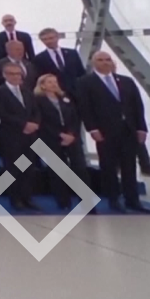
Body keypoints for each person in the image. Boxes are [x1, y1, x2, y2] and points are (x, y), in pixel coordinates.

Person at [77, 52, 150, 213]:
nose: (105, 63)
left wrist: (141, 128)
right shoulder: (85, 82)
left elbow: (137, 106)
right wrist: (92, 129)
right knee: (108, 166)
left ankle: (132, 200)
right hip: (105, 131)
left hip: (128, 129)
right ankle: (114, 199)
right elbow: (85, 107)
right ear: (94, 63)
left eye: (108, 59)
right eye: (100, 60)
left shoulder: (126, 81)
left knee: (129, 165)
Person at [35, 73, 90, 211]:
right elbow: (41, 122)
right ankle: (63, 202)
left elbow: (75, 117)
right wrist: (59, 134)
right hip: (51, 139)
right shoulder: (37, 101)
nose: (54, 84)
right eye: (49, 82)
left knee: (80, 168)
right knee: (57, 171)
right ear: (42, 85)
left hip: (72, 138)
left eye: (55, 81)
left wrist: (71, 134)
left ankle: (86, 201)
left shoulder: (66, 98)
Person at [0, 64, 42, 212]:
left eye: (18, 74)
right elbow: (2, 113)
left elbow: (36, 110)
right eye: (12, 74)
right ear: (5, 75)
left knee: (29, 168)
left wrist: (35, 123)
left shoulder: (27, 91)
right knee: (13, 168)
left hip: (30, 135)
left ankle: (27, 198)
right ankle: (15, 199)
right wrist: (23, 124)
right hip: (11, 135)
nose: (16, 77)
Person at [33, 27, 86, 92]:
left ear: (57, 37)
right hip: (55, 92)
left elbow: (81, 72)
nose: (49, 41)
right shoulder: (39, 59)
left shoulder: (72, 53)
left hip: (76, 90)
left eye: (51, 38)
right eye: (45, 39)